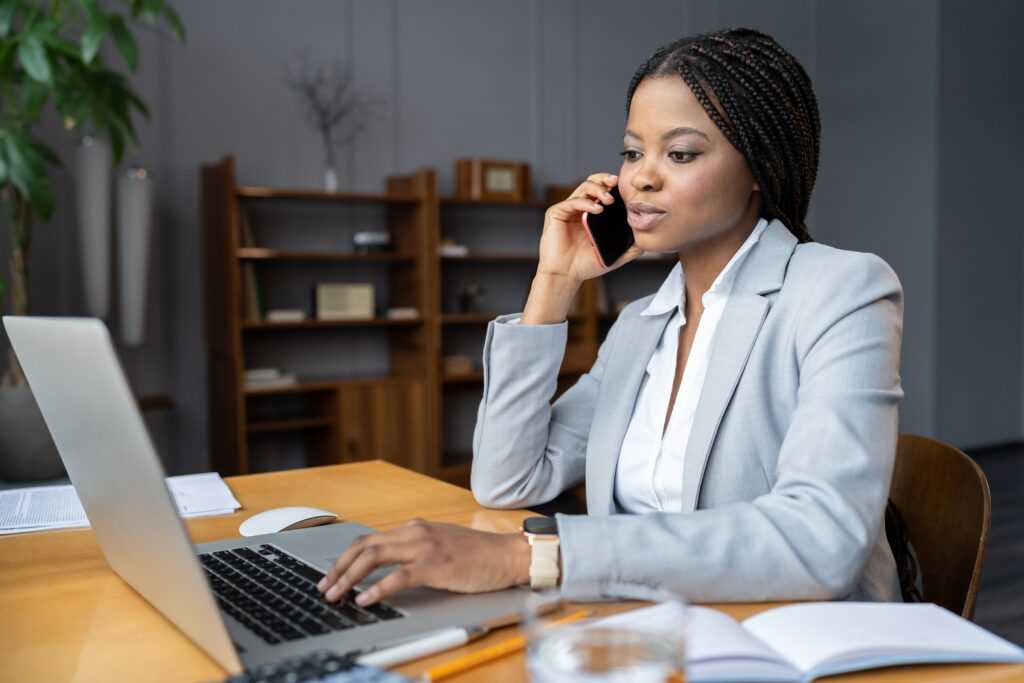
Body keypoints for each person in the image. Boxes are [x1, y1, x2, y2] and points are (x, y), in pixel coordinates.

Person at [317, 27, 904, 608]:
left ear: (758, 168)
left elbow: (821, 539)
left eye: (680, 153)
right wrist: (554, 283)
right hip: (649, 632)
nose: (642, 176)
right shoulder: (642, 324)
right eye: (631, 152)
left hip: (797, 644)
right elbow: (507, 480)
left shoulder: (840, 290)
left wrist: (531, 558)